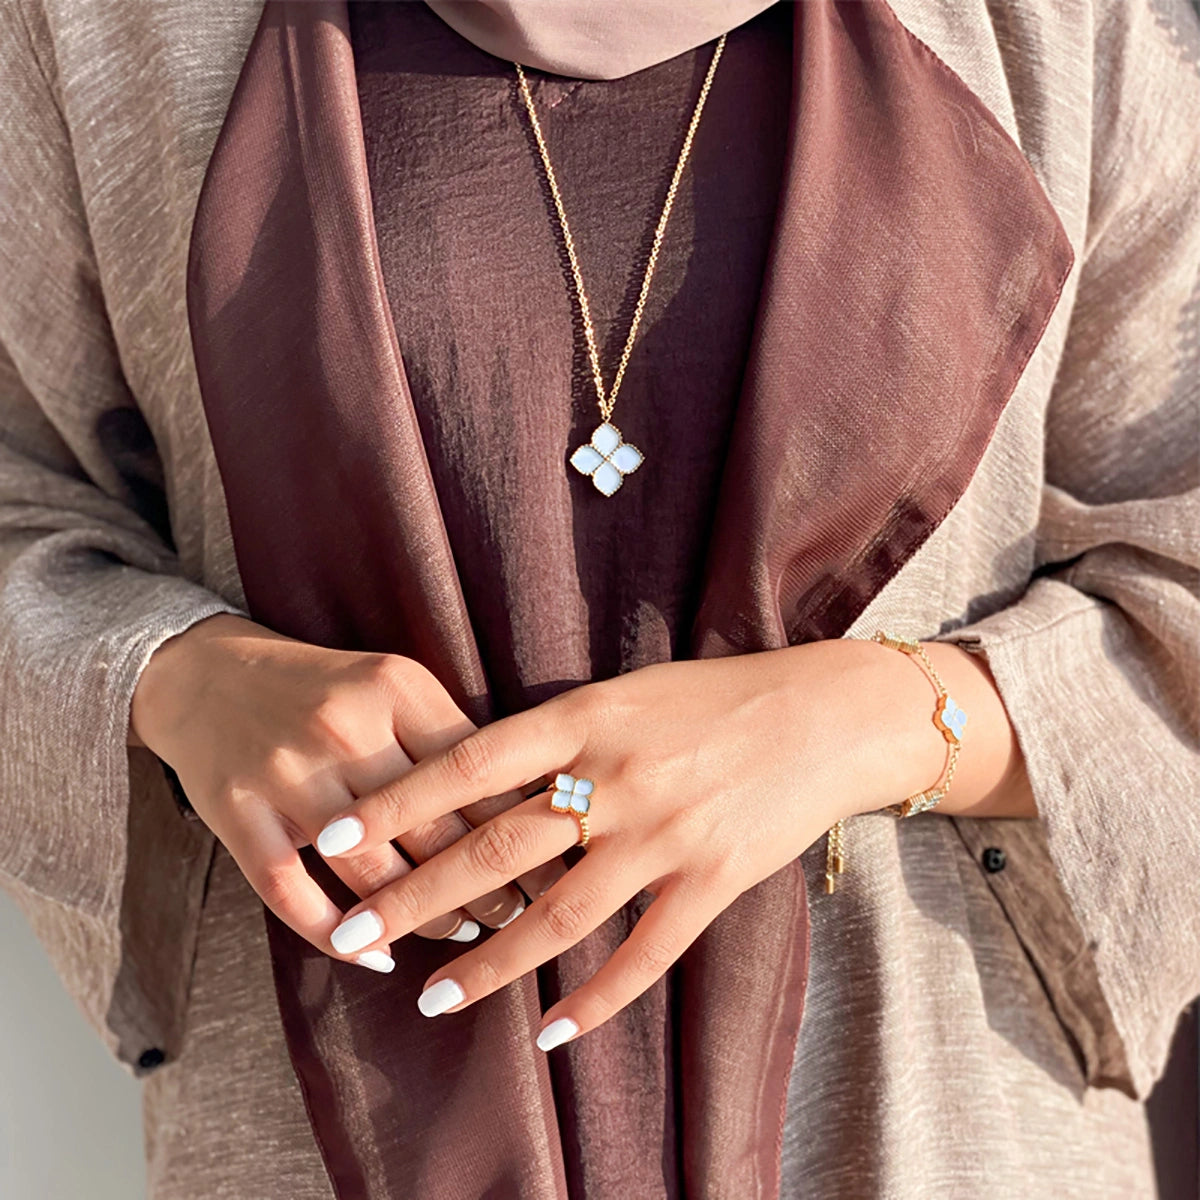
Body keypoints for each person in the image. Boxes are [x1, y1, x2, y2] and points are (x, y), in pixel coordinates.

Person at [1, 1, 1197, 1197]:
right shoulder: (101, 27)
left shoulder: (1072, 24)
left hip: (927, 1109)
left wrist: (874, 723)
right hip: (333, 1102)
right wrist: (181, 677)